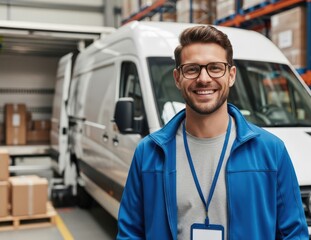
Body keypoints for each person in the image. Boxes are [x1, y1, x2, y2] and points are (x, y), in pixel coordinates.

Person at [116, 25, 308, 240]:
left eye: (215, 68)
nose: (204, 78)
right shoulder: (149, 153)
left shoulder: (271, 151)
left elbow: (294, 234)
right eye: (192, 69)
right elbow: (130, 233)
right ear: (178, 78)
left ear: (231, 75)